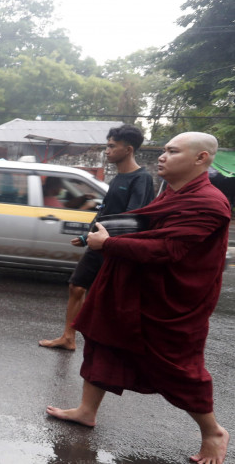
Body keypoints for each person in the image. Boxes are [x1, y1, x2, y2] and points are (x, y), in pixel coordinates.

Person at [47, 132, 230, 464]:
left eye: (172, 151)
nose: (161, 156)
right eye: (163, 150)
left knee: (176, 367)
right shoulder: (172, 193)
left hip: (169, 300)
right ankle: (86, 411)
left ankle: (213, 432)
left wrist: (110, 245)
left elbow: (169, 249)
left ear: (201, 158)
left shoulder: (208, 201)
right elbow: (142, 228)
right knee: (103, 341)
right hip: (134, 288)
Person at [39, 124, 155, 350]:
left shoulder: (141, 179)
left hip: (117, 248)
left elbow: (133, 220)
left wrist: (109, 242)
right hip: (99, 243)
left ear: (128, 149)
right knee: (76, 286)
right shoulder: (118, 178)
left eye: (112, 146)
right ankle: (68, 337)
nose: (107, 150)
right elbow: (104, 212)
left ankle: (112, 347)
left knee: (108, 298)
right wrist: (86, 237)